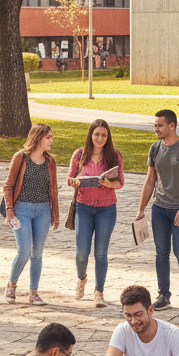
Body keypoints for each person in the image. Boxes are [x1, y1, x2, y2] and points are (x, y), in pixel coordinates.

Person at [135, 110, 179, 310]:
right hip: (160, 208)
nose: (156, 129)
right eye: (155, 126)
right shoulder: (155, 149)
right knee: (161, 253)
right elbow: (150, 181)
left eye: (159, 126)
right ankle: (163, 295)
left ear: (172, 125)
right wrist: (141, 209)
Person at [67, 119, 124, 307]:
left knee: (100, 253)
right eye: (97, 134)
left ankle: (99, 291)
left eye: (104, 135)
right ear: (91, 135)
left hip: (106, 209)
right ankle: (82, 278)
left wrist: (110, 184)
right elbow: (70, 177)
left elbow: (120, 182)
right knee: (82, 253)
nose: (100, 138)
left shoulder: (114, 156)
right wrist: (74, 181)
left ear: (108, 137)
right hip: (84, 206)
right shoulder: (79, 154)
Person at [3, 123, 59, 306]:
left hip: (43, 210)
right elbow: (8, 185)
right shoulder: (20, 157)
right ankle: (12, 284)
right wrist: (10, 210)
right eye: (48, 137)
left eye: (51, 137)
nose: (51, 140)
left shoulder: (50, 162)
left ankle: (33, 293)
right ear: (38, 138)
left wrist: (55, 214)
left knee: (37, 253)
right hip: (22, 210)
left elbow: (53, 191)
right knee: (24, 251)